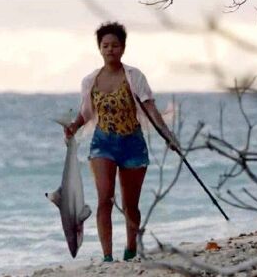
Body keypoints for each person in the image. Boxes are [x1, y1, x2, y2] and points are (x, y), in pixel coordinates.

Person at [64, 21, 179, 262]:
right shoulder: (90, 81)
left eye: (115, 45)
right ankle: (107, 256)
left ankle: (130, 250)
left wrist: (168, 136)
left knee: (130, 204)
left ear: (123, 48)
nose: (110, 50)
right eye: (105, 45)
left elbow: (150, 107)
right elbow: (86, 112)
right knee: (105, 198)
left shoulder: (134, 76)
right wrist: (73, 127)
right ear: (99, 49)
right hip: (102, 143)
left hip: (132, 143)